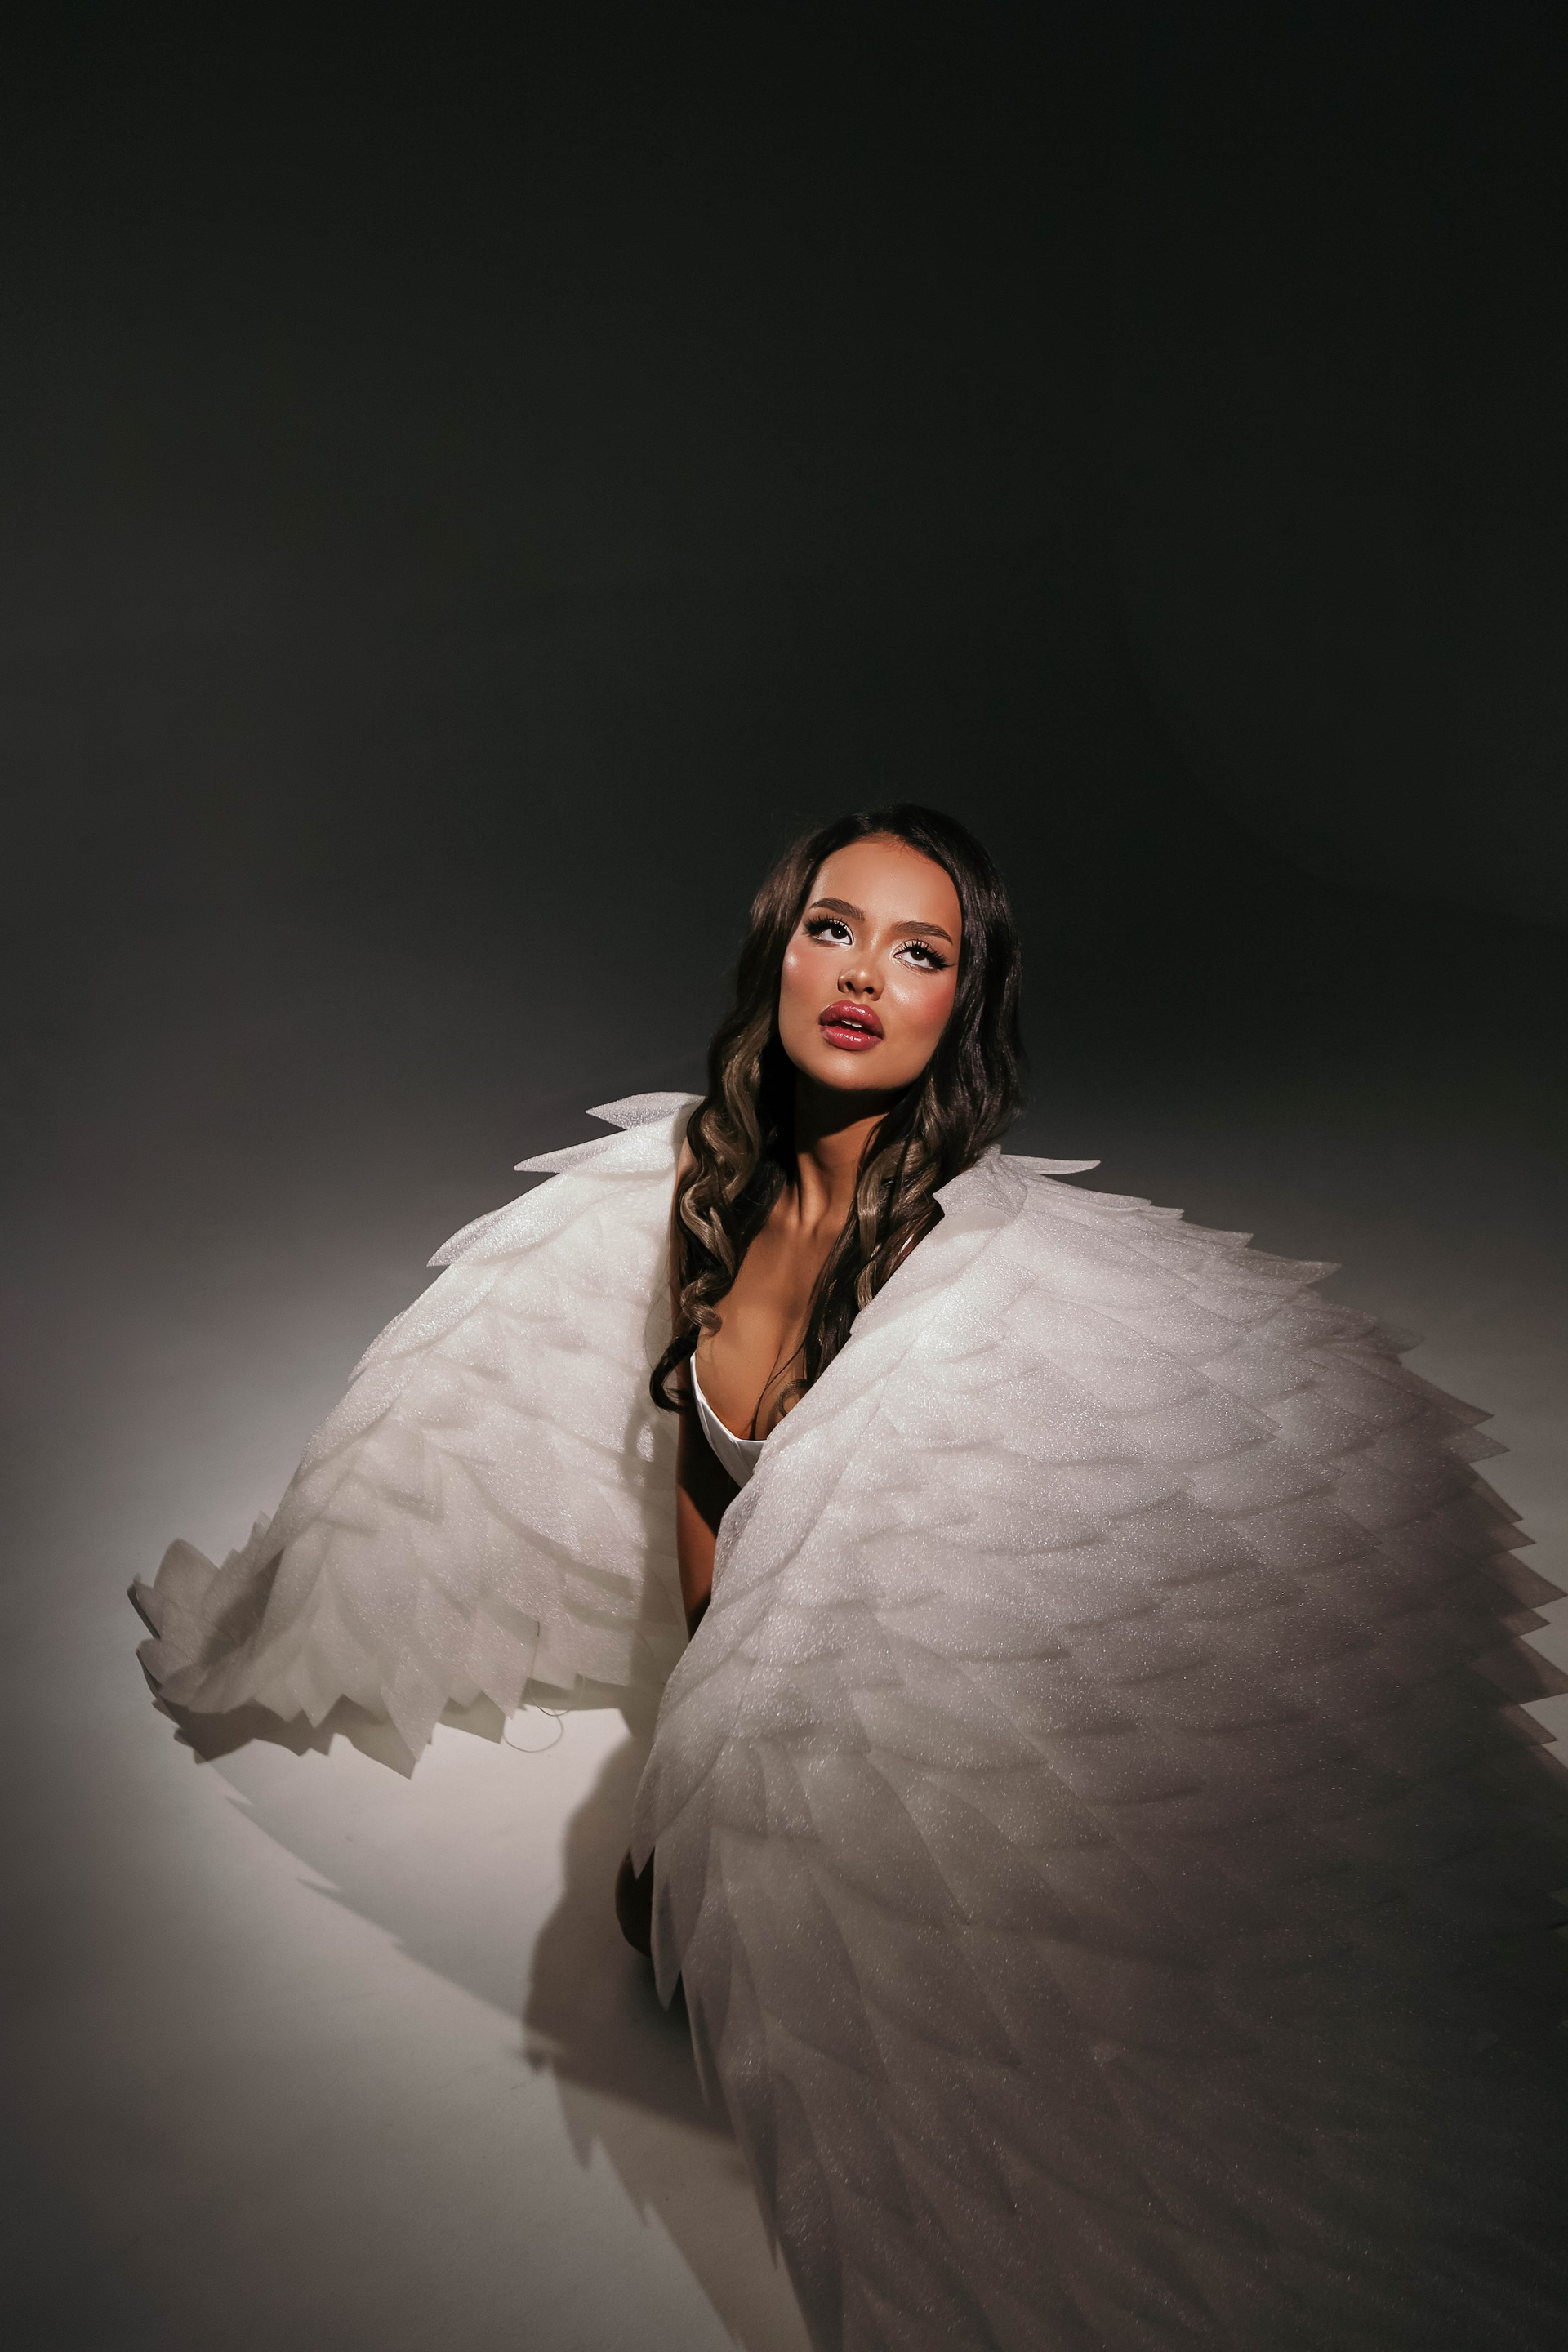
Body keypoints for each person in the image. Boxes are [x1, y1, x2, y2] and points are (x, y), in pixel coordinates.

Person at [135, 806, 1568, 2350]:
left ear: (968, 999)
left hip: (1007, 1711)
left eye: (921, 950)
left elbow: (993, 1622)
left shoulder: (960, 1298)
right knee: (665, 1935)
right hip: (784, 1689)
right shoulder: (715, 1194)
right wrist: (691, 1771)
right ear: (780, 950)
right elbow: (704, 1481)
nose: (866, 974)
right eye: (835, 928)